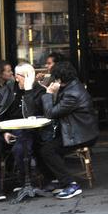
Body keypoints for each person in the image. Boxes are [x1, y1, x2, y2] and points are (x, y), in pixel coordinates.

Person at [0, 62, 46, 202]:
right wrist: (4, 132)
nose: (31, 78)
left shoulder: (38, 90)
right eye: (26, 76)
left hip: (28, 131)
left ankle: (24, 182)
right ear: (16, 77)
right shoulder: (6, 90)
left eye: (32, 75)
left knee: (20, 148)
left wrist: (28, 91)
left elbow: (32, 117)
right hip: (6, 130)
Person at [40, 60, 98, 199]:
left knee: (48, 150)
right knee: (41, 145)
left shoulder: (72, 94)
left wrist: (48, 93)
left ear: (59, 78)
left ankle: (70, 184)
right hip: (75, 131)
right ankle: (56, 180)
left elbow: (50, 113)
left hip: (81, 135)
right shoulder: (72, 86)